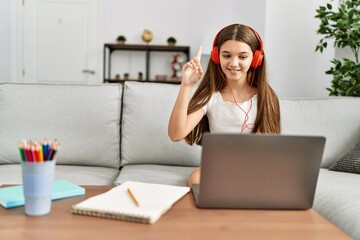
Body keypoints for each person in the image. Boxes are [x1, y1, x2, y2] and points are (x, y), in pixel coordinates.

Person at [168, 23, 281, 186]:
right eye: (226, 55)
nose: (234, 63)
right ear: (216, 56)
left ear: (256, 59)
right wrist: (186, 85)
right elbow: (176, 134)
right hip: (218, 166)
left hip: (254, 166)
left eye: (242, 57)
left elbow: (265, 149)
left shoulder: (265, 97)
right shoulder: (211, 96)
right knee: (195, 179)